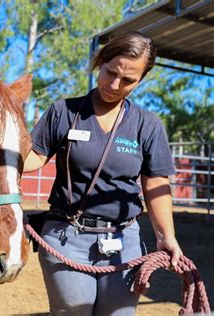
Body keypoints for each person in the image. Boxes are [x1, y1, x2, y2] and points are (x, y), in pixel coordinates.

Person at [24, 31, 183, 315]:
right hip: (65, 236)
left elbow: (156, 182)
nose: (114, 84)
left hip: (125, 241)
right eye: (110, 72)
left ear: (141, 79)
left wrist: (166, 236)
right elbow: (35, 156)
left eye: (128, 80)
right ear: (101, 61)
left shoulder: (147, 125)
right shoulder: (64, 112)